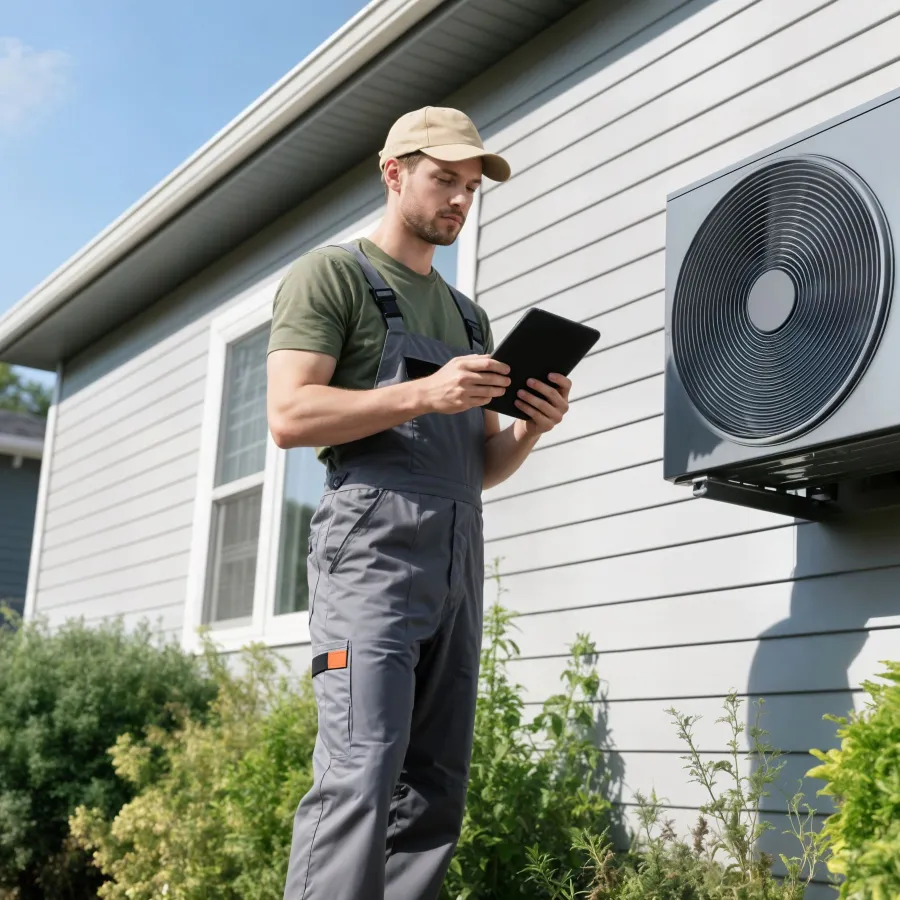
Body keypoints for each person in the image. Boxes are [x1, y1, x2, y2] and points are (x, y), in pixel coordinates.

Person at [266, 106, 573, 900]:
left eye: (471, 187)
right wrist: (424, 395)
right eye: (446, 180)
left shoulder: (471, 317)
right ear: (394, 172)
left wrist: (531, 430)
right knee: (358, 773)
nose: (461, 201)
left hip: (455, 555)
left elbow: (479, 467)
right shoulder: (334, 277)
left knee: (435, 787)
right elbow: (289, 417)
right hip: (369, 550)